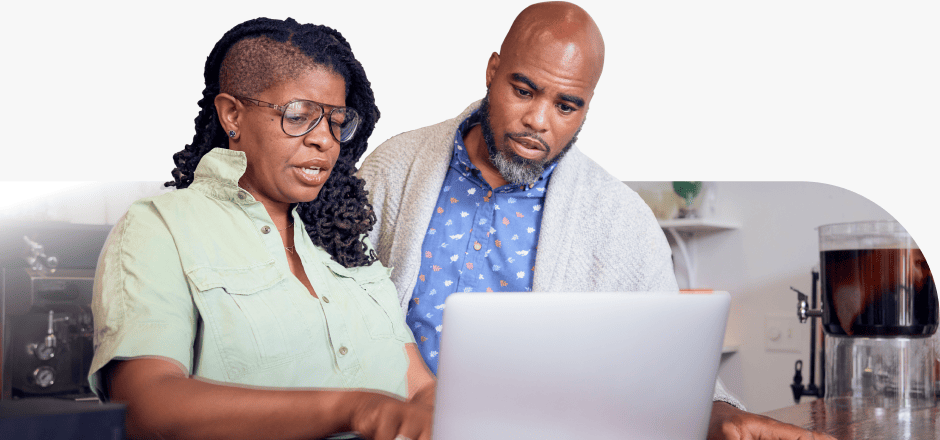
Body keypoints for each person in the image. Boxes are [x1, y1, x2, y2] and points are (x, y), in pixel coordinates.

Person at [359, 2, 837, 439]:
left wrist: (714, 413)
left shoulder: (620, 217)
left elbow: (667, 361)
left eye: (567, 106)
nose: (539, 121)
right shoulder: (394, 167)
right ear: (492, 70)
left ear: (587, 106)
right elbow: (327, 302)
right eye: (524, 90)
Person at [89, 17, 434, 440]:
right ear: (232, 114)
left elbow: (421, 389)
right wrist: (352, 408)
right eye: (300, 115)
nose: (324, 139)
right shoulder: (160, 228)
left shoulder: (346, 244)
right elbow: (146, 405)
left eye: (336, 120)